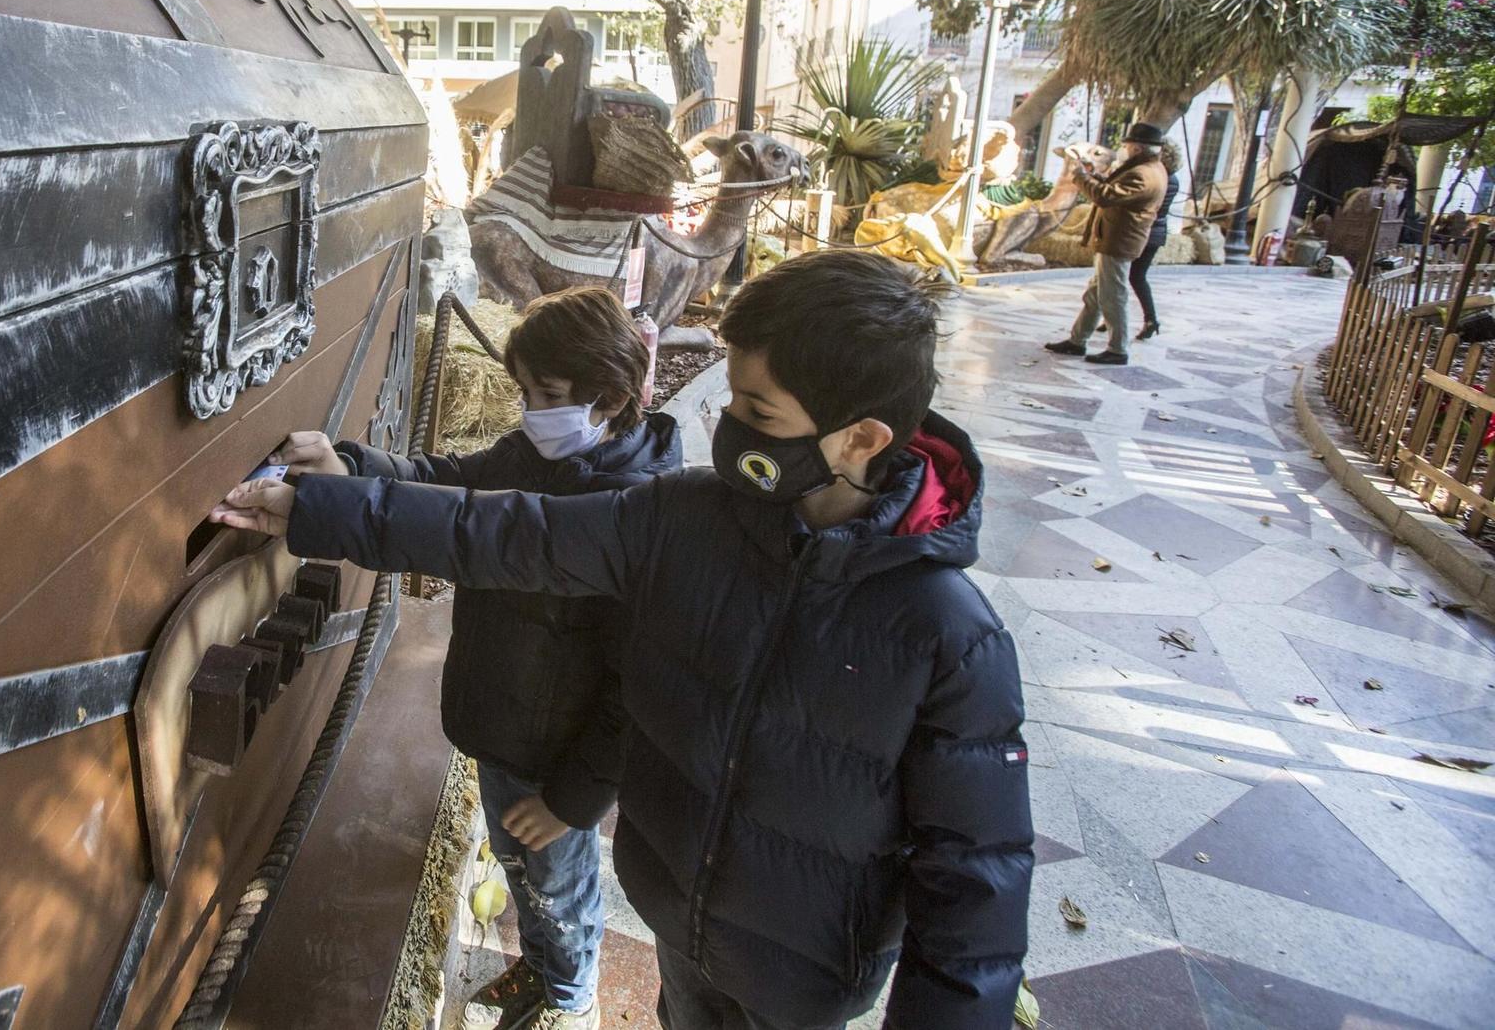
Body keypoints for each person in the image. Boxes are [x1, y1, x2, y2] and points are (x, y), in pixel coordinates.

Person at [215, 251, 1033, 1030]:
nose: (730, 427)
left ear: (861, 439)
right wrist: (324, 508)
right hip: (677, 917)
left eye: (759, 413)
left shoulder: (948, 639)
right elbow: (504, 530)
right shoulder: (684, 520)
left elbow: (974, 898)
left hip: (799, 972)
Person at [272, 286, 680, 1030]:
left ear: (612, 397)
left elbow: (634, 691)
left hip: (559, 762)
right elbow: (451, 485)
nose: (530, 409)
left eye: (547, 394)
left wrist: (574, 800)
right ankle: (542, 964)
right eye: (524, 391)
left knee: (558, 881)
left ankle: (570, 996)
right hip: (501, 724)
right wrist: (351, 467)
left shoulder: (635, 514)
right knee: (521, 867)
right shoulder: (535, 451)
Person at [1044, 121, 1169, 365]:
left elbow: (1105, 196)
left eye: (1128, 144)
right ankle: (1077, 340)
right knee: (1095, 294)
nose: (1124, 148)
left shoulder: (1143, 174)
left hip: (1119, 241)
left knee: (1113, 296)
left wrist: (1080, 178)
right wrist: (1094, 175)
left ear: (1138, 148)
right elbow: (1113, 187)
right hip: (1114, 239)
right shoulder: (1147, 167)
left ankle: (1118, 349)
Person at [1126, 141, 1181, 340]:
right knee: (1136, 277)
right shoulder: (1172, 178)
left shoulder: (1155, 176)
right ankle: (1150, 319)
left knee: (1124, 275)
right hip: (1157, 232)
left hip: (1142, 231)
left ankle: (1118, 319)